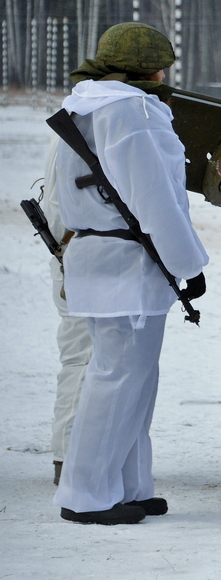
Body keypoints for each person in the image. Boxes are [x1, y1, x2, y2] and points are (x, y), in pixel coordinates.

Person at [52, 22, 209, 525]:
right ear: (151, 70)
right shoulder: (134, 111)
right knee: (119, 379)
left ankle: (129, 487)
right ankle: (88, 495)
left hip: (101, 259)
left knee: (131, 379)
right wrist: (187, 265)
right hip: (127, 265)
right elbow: (156, 200)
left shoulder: (87, 106)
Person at [41, 141, 94, 485]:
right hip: (77, 256)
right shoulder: (81, 129)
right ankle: (68, 458)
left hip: (72, 254)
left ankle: (71, 456)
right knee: (83, 360)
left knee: (81, 359)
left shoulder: (73, 124)